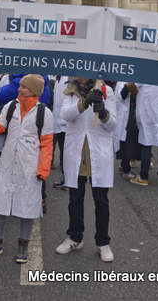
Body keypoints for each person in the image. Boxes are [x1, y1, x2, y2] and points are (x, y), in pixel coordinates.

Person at [0, 75, 53, 263]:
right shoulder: (11, 107)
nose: (19, 89)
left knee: (27, 207)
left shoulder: (45, 113)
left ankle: (23, 244)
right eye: (20, 86)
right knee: (0, 204)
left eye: (24, 87)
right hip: (8, 163)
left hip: (30, 167)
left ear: (34, 90)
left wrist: (43, 170)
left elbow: (47, 144)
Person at [55, 77, 117, 263]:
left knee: (101, 200)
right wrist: (84, 103)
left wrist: (103, 112)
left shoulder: (106, 90)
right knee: (75, 198)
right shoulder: (69, 90)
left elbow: (113, 125)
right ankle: (74, 237)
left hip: (97, 151)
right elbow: (65, 115)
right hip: (77, 151)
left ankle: (103, 242)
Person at [131, 84, 158, 186]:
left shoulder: (147, 68)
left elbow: (134, 85)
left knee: (146, 142)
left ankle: (144, 177)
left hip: (148, 110)